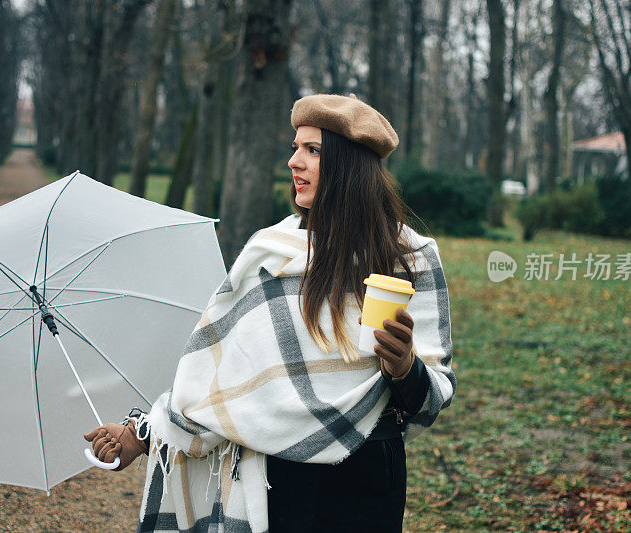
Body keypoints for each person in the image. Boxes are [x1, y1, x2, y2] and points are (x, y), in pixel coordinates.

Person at [84, 93, 456, 533]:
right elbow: (222, 381)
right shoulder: (271, 254)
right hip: (279, 482)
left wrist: (405, 367)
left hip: (369, 477)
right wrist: (142, 434)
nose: (294, 162)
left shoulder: (410, 257)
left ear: (350, 165)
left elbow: (434, 389)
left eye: (313, 150)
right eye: (295, 147)